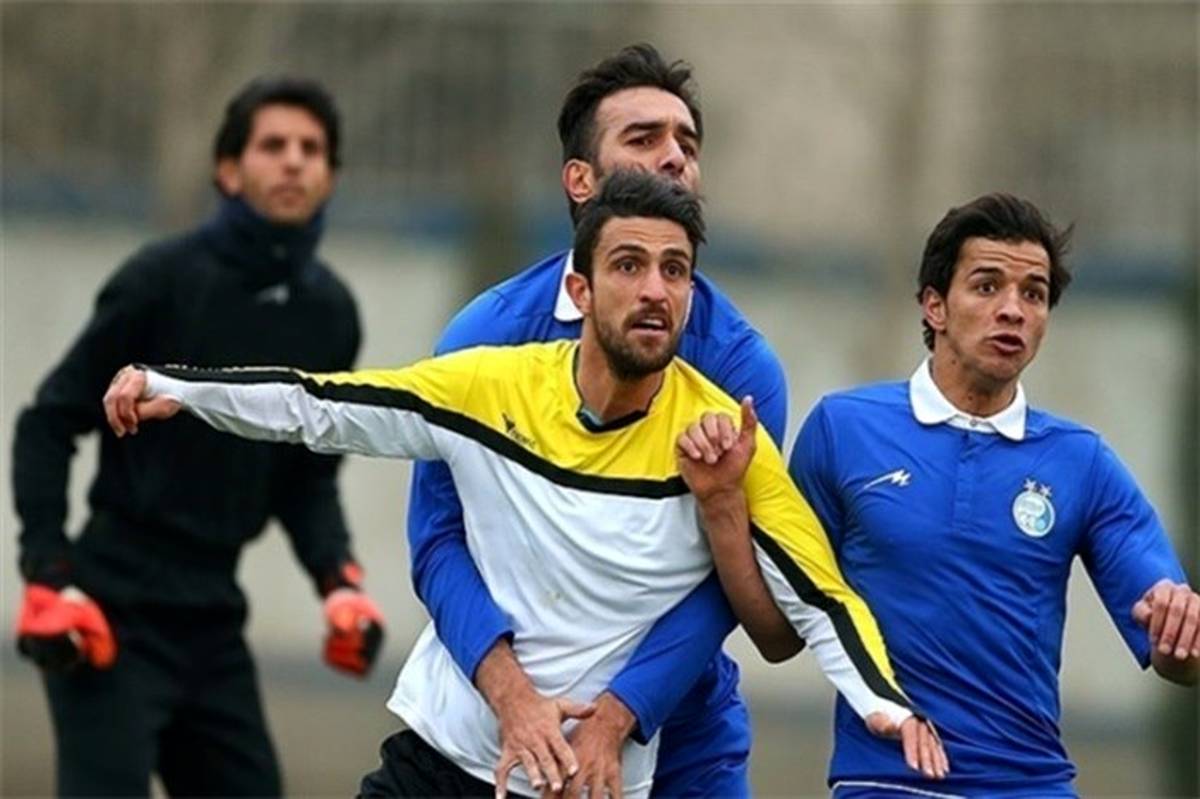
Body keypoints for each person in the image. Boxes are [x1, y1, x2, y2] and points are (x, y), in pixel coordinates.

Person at [103, 170, 947, 799]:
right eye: (628, 265)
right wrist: (176, 387)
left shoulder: (722, 436)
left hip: (593, 780)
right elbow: (321, 403)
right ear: (579, 288)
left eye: (675, 270)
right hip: (444, 760)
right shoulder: (491, 384)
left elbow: (819, 596)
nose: (654, 290)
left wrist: (886, 702)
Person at [681, 192, 1198, 798]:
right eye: (987, 286)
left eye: (1033, 294)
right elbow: (780, 633)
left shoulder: (1082, 462)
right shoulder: (842, 431)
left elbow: (1179, 659)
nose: (1013, 310)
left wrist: (1180, 629)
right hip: (884, 779)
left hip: (1031, 783)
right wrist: (722, 506)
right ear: (935, 306)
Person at [406, 43, 791, 799]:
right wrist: (514, 699)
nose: (675, 157)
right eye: (644, 138)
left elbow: (730, 579)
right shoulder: (486, 337)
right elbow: (437, 537)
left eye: (688, 144)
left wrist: (617, 717)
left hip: (678, 731)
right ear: (580, 181)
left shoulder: (741, 371)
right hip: (499, 719)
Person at [11, 76, 385, 796]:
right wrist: (47, 574)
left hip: (213, 618)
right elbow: (48, 422)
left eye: (311, 149)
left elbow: (307, 477)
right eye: (273, 145)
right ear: (228, 170)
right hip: (111, 607)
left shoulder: (330, 313)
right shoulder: (161, 279)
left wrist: (338, 580)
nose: (294, 160)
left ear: (331, 177)